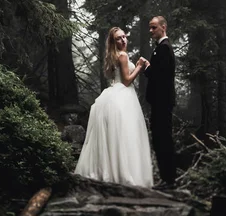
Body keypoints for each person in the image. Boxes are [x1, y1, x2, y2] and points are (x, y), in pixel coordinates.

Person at [74, 27, 153, 188]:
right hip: (123, 96)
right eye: (118, 38)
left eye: (124, 37)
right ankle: (121, 174)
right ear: (113, 41)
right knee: (125, 136)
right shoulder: (122, 55)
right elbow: (126, 81)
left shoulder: (114, 55)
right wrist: (139, 66)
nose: (123, 40)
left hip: (115, 94)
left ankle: (110, 171)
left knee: (119, 136)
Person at [142, 16, 177, 189]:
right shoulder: (161, 48)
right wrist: (150, 66)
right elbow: (159, 71)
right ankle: (167, 178)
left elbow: (157, 76)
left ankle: (169, 180)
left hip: (162, 102)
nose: (151, 31)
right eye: (149, 28)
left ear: (163, 27)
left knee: (163, 139)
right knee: (160, 138)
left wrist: (145, 67)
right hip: (161, 102)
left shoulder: (164, 48)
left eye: (154, 27)